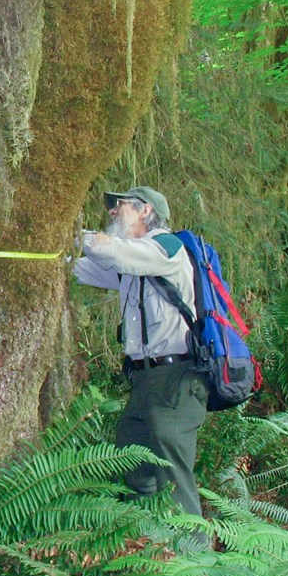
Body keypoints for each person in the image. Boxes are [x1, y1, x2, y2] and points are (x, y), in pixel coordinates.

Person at [73, 186, 210, 517]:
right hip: (145, 380)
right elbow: (79, 268)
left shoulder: (166, 247)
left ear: (146, 211)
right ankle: (144, 538)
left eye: (120, 206)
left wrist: (74, 235)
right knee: (131, 457)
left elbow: (113, 252)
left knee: (173, 473)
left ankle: (193, 557)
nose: (112, 212)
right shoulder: (134, 263)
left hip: (177, 379)